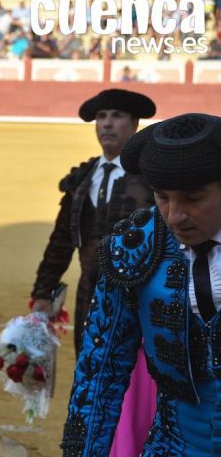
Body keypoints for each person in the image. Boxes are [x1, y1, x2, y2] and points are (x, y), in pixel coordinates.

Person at [61, 112, 221, 456]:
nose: (175, 215)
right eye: (163, 197)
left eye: (193, 198)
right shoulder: (133, 249)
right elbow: (100, 371)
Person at [31, 89, 158, 455]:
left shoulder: (153, 177)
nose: (107, 124)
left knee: (139, 390)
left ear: (135, 124)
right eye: (102, 116)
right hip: (91, 300)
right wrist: (43, 292)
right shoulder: (82, 178)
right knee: (92, 383)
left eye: (117, 116)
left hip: (141, 303)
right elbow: (61, 241)